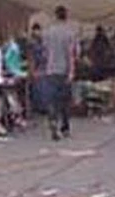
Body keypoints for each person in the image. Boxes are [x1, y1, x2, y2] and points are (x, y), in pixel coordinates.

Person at [41, 5, 78, 141]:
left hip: (50, 70)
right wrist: (72, 72)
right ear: (66, 16)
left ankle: (53, 123)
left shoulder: (47, 32)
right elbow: (72, 54)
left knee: (52, 100)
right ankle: (65, 127)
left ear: (55, 16)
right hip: (64, 71)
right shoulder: (70, 33)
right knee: (65, 101)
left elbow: (44, 53)